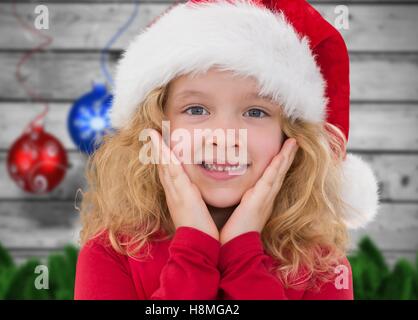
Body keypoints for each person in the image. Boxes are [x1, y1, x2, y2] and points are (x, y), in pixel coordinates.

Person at [74, 0, 380, 299]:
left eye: (256, 112)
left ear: (291, 136)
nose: (223, 137)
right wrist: (194, 250)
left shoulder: (321, 267)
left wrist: (243, 256)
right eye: (196, 109)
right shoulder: (111, 253)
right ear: (156, 129)